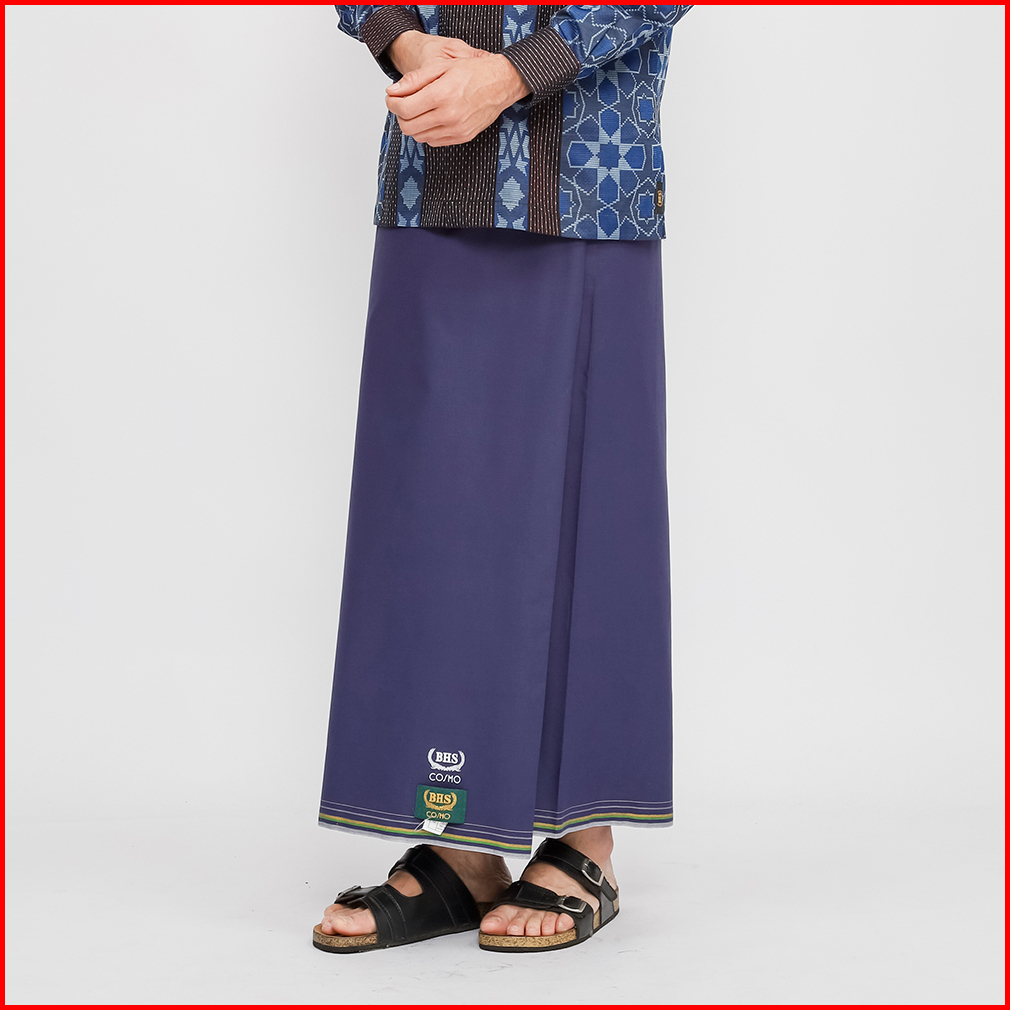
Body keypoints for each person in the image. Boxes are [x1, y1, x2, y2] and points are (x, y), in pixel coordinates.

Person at [313, 4, 692, 954]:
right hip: (434, 161)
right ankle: (462, 843)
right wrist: (405, 43)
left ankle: (584, 838)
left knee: (593, 495)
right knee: (433, 512)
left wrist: (516, 71)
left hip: (588, 170)